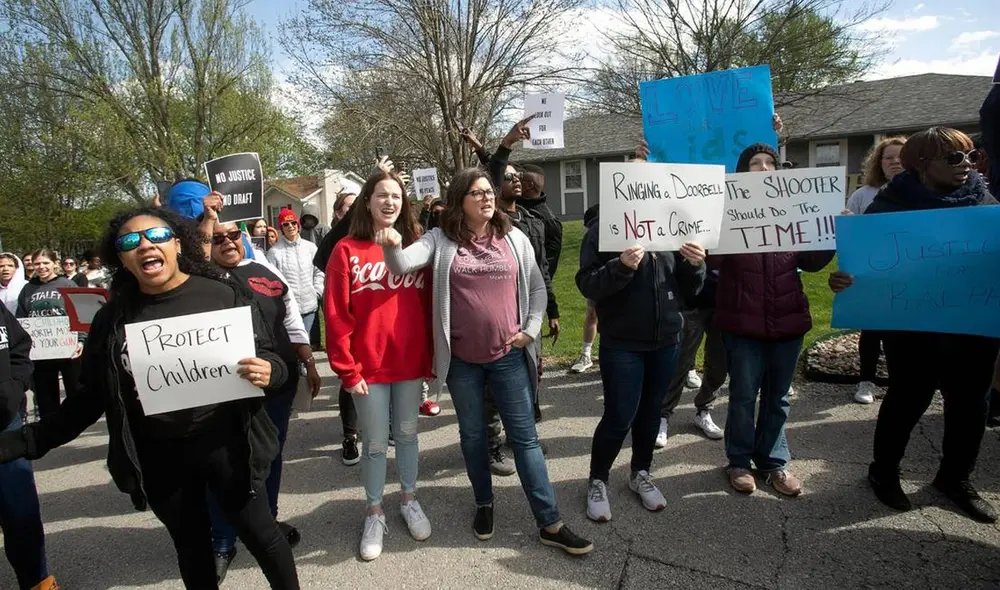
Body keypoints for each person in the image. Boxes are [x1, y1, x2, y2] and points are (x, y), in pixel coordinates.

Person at [0, 207, 300, 588]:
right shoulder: (113, 320)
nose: (144, 245)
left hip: (228, 445)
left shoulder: (224, 294)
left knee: (262, 535)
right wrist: (28, 441)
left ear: (177, 244)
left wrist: (271, 372)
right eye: (130, 241)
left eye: (155, 237)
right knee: (191, 548)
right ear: (121, 258)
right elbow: (89, 396)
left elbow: (275, 358)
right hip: (159, 456)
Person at [377, 167, 593, 555]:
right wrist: (391, 244)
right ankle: (484, 503)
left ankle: (550, 521)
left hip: (508, 357)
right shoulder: (440, 240)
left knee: (525, 440)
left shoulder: (513, 237)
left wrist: (530, 327)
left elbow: (539, 286)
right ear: (460, 200)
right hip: (461, 362)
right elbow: (401, 265)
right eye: (477, 193)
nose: (488, 197)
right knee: (474, 437)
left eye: (489, 191)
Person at [830, 127, 1000, 523]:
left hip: (973, 328)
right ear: (923, 164)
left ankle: (955, 479)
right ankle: (884, 473)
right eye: (955, 159)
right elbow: (865, 269)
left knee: (970, 406)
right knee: (907, 400)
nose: (967, 166)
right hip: (913, 329)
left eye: (972, 156)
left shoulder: (984, 201)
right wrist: (845, 281)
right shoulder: (889, 207)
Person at [199, 201, 321, 583]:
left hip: (276, 386)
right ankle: (222, 540)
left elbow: (289, 318)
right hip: (221, 392)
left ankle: (266, 524)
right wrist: (208, 218)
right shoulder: (197, 279)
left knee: (270, 457)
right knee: (224, 466)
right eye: (217, 238)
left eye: (233, 235)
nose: (227, 242)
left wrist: (309, 361)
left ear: (243, 238)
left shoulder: (263, 270)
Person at [714, 144, 835, 497]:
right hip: (742, 323)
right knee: (742, 396)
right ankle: (738, 461)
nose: (765, 168)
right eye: (756, 163)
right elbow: (710, 264)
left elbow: (811, 261)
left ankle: (774, 463)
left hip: (787, 321)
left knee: (778, 398)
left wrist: (830, 232)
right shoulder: (727, 213)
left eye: (771, 163)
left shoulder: (794, 210)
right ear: (742, 172)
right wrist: (699, 250)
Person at [326, 170, 434, 561]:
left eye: (396, 196)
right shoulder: (346, 251)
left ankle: (408, 498)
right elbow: (336, 314)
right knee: (373, 444)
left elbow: (428, 308)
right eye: (381, 195)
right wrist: (346, 368)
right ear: (366, 201)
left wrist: (431, 360)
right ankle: (374, 510)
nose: (390, 202)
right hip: (367, 369)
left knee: (406, 435)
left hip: (408, 365)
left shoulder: (417, 248)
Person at [577, 205, 706, 522]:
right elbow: (587, 283)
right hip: (622, 342)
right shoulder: (603, 228)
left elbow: (692, 293)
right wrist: (620, 266)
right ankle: (598, 479)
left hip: (666, 341)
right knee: (620, 416)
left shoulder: (671, 227)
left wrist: (695, 264)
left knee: (651, 413)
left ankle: (640, 473)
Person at [482, 163, 560, 476]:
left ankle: (520, 434)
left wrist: (551, 309)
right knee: (493, 386)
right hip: (498, 317)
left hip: (530, 314)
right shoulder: (484, 224)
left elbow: (541, 269)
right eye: (509, 176)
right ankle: (490, 443)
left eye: (519, 178)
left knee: (529, 378)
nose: (517, 181)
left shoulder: (532, 221)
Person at [844, 136, 906, 405]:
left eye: (900, 156)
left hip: (909, 272)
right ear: (878, 162)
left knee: (903, 332)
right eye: (888, 157)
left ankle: (901, 383)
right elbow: (850, 237)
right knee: (872, 329)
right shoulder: (862, 195)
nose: (894, 162)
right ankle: (866, 380)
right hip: (871, 271)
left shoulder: (922, 191)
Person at [0, 304, 58, 590]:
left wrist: (14, 386)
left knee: (21, 513)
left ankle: (38, 581)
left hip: (6, 426)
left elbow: (19, 345)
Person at [16, 249, 83, 419]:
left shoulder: (67, 284)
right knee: (45, 395)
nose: (41, 267)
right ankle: (52, 426)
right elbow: (21, 318)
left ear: (54, 264)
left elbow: (80, 314)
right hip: (40, 351)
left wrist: (81, 340)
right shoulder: (27, 289)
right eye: (37, 263)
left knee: (76, 389)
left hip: (68, 347)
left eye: (45, 263)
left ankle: (75, 420)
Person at [266, 209, 325, 340]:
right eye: (286, 224)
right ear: (281, 228)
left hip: (309, 305)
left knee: (306, 340)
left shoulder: (310, 247)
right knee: (295, 344)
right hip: (289, 309)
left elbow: (319, 271)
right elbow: (272, 281)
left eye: (293, 223)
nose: (290, 226)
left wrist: (317, 291)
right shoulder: (274, 252)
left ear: (298, 225)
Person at [570, 205, 601, 374]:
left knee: (596, 314)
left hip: (615, 276)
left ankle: (589, 354)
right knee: (592, 313)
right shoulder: (592, 236)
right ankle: (586, 354)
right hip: (598, 276)